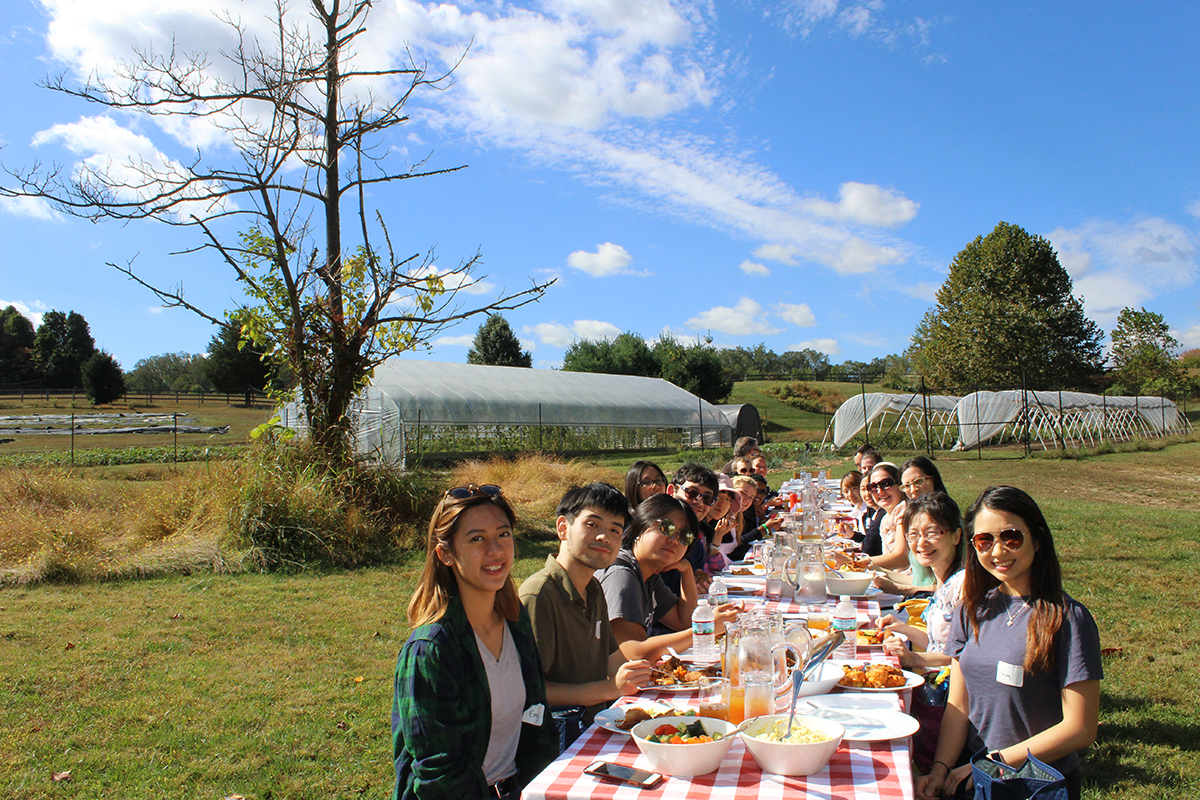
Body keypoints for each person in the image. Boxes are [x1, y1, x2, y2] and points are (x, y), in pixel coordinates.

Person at [916, 486, 1102, 800]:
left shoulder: (1068, 619)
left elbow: (1080, 729)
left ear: (1038, 539)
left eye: (1011, 537)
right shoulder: (971, 610)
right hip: (972, 775)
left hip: (1034, 783)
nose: (998, 551)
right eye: (985, 540)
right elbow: (959, 706)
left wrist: (996, 763)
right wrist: (940, 768)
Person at [392, 485, 557, 800]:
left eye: (503, 535)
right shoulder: (431, 649)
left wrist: (540, 789)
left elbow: (538, 722)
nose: (495, 550)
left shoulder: (516, 620)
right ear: (447, 554)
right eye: (477, 538)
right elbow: (438, 774)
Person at [518, 483, 653, 729]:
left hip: (597, 723)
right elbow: (531, 690)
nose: (604, 537)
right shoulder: (539, 595)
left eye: (615, 530)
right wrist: (610, 689)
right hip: (559, 736)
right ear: (563, 528)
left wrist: (652, 679)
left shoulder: (594, 589)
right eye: (592, 525)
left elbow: (613, 660)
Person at [597, 494, 741, 656]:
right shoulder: (621, 574)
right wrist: (706, 627)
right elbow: (632, 655)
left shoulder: (648, 575)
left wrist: (686, 570)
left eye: (685, 536)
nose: (674, 540)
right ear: (641, 526)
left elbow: (684, 622)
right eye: (666, 528)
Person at [880, 492, 967, 669]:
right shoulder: (944, 580)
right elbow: (940, 645)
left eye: (932, 533)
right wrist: (903, 628)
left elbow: (966, 655)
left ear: (956, 536)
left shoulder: (964, 584)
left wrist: (913, 659)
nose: (921, 543)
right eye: (913, 534)